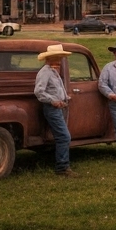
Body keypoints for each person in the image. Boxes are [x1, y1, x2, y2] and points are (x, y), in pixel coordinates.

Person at [34, 43, 78, 177]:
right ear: (50, 58)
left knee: (62, 136)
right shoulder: (45, 72)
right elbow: (39, 92)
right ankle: (62, 166)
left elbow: (55, 89)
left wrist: (64, 98)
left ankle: (62, 165)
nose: (60, 59)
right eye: (57, 57)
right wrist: (53, 101)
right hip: (52, 108)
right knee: (64, 136)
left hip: (58, 107)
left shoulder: (53, 71)